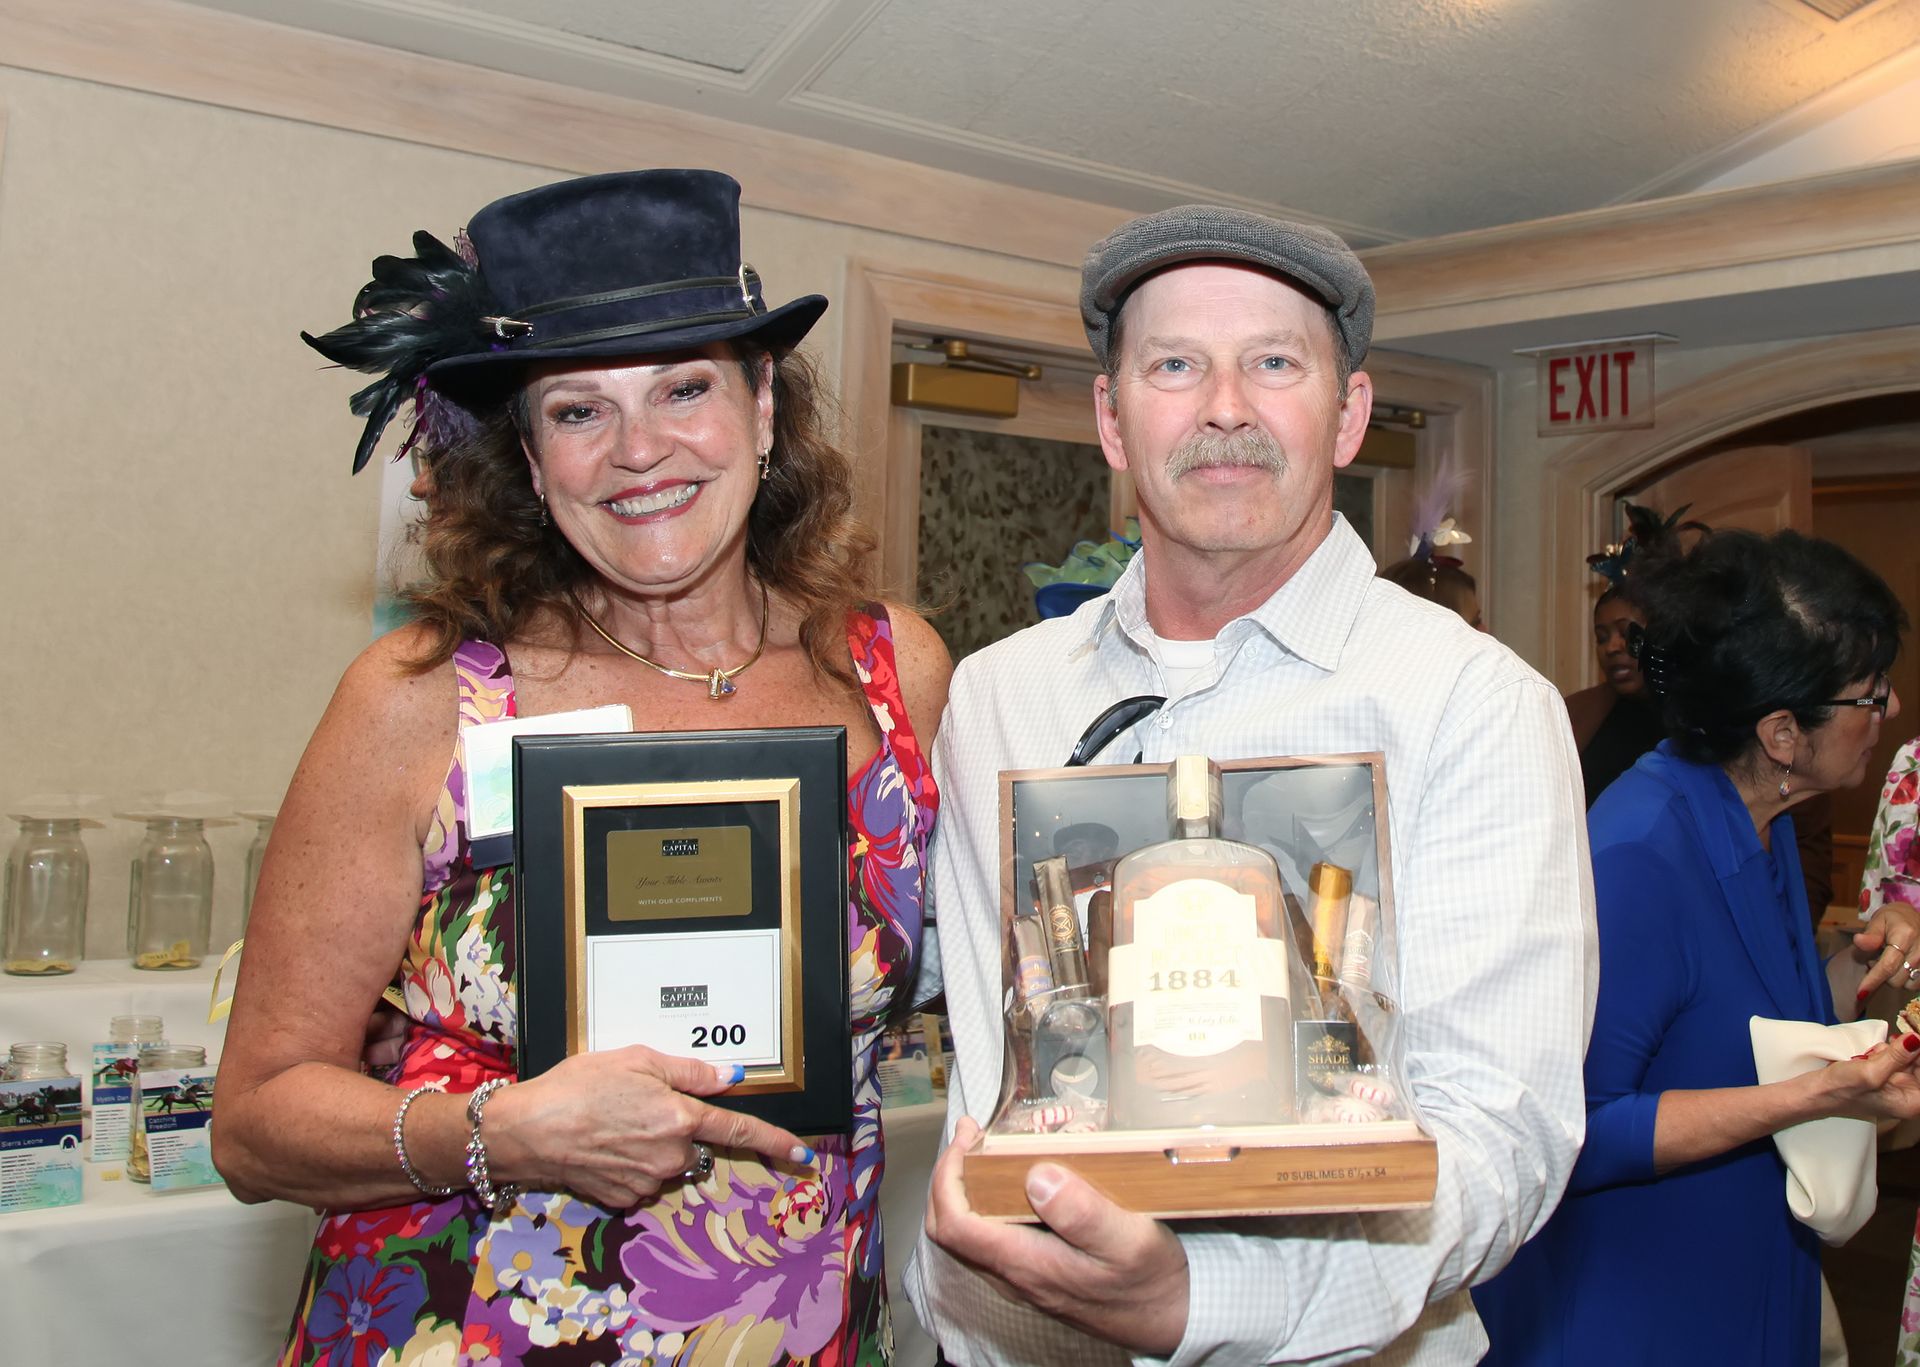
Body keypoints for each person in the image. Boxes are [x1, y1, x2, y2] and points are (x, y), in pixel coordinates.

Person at [212, 170, 951, 1366]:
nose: (640, 449)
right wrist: (500, 1131)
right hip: (474, 1328)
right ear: (530, 450)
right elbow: (253, 1125)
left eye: (685, 386)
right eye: (578, 409)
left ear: (764, 406)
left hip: (795, 1328)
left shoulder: (891, 670)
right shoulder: (420, 700)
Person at [905, 205, 1597, 1364]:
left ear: (1349, 414)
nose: (1225, 405)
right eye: (1175, 365)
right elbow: (936, 974)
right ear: (1112, 420)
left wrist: (1203, 1298)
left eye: (1275, 363)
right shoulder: (995, 696)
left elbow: (1503, 1132)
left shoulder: (1470, 702)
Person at [1475, 530, 1920, 1367]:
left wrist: (1865, 960)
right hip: (1630, 1310)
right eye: (1870, 692)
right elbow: (1572, 1132)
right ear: (1784, 732)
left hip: (1746, 1275)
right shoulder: (1639, 853)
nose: (1889, 710)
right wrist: (1813, 1097)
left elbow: (1745, 1020)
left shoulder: (1761, 814)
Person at [1564, 578, 1664, 809]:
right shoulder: (1579, 712)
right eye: (1602, 637)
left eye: (1624, 632)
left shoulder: (1690, 718)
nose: (1612, 647)